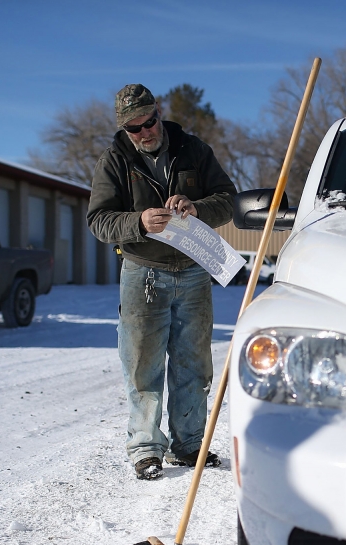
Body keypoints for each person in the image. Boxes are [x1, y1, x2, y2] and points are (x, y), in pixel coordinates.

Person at [88, 84, 236, 480]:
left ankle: (189, 446)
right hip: (143, 274)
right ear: (124, 129)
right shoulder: (114, 161)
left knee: (193, 364)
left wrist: (198, 207)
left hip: (193, 271)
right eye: (134, 128)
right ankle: (146, 449)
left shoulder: (193, 149)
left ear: (158, 113)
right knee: (142, 365)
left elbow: (228, 198)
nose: (144, 133)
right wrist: (137, 222)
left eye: (149, 122)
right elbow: (98, 220)